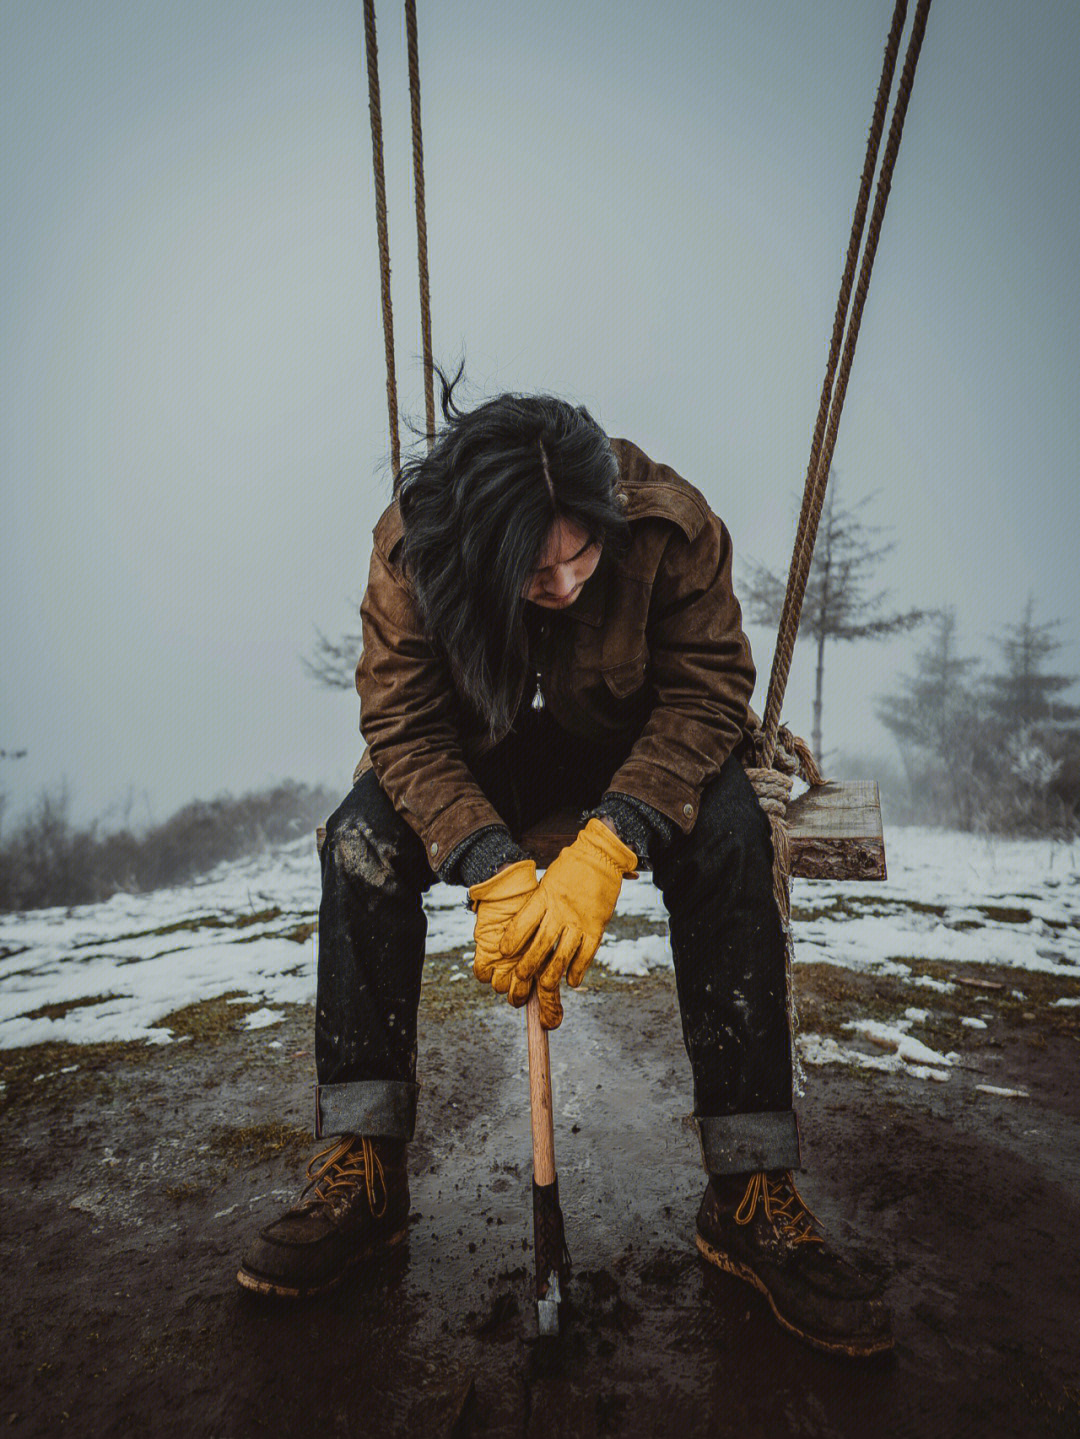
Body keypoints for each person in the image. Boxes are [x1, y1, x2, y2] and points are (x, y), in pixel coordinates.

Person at [237, 369, 892, 1358]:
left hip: (632, 753)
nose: (566, 584)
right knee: (360, 837)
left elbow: (709, 695)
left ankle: (750, 1187)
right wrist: (490, 862)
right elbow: (403, 723)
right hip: (477, 757)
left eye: (580, 557)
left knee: (733, 830)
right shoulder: (417, 548)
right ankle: (366, 1168)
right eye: (536, 575)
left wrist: (613, 836)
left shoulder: (671, 528)